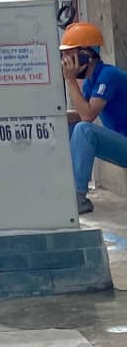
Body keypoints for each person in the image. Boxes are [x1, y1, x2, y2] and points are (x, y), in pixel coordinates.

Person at [63, 20, 127, 214]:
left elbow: (88, 115)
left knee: (83, 129)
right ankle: (64, 187)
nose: (65, 60)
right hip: (121, 141)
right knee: (66, 126)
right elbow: (81, 112)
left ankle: (78, 196)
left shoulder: (109, 75)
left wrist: (70, 79)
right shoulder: (92, 80)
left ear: (85, 54)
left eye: (69, 54)